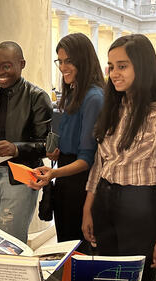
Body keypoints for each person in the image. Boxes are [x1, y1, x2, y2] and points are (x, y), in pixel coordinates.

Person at [81, 34, 156, 281]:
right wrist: (87, 207)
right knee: (105, 279)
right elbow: (100, 163)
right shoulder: (114, 106)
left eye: (123, 66)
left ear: (143, 65)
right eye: (112, 66)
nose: (115, 73)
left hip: (140, 206)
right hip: (104, 200)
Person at [28, 33, 104, 250]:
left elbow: (87, 159)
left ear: (83, 60)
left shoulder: (94, 97)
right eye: (60, 61)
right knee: (67, 247)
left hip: (81, 185)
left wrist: (53, 173)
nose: (63, 67)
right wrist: (56, 155)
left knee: (77, 249)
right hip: (66, 178)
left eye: (68, 61)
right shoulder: (73, 92)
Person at [0, 41, 52, 243]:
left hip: (20, 177)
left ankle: (14, 275)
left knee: (10, 240)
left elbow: (47, 146)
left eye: (6, 66)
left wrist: (16, 149)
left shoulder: (37, 97)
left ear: (21, 64)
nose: (0, 71)